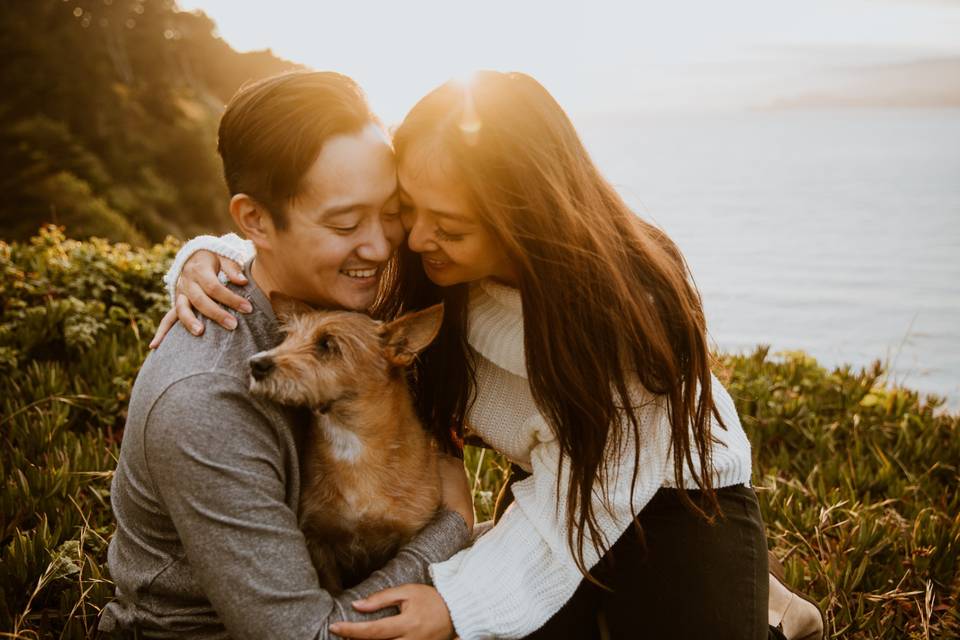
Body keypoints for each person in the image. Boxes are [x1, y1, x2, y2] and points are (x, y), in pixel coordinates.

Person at [157, 72, 826, 640]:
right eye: (407, 208)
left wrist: (459, 600)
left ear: (523, 218)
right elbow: (303, 248)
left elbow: (591, 492)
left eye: (447, 225)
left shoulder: (628, 311)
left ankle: (765, 608)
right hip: (550, 480)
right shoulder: (430, 263)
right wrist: (208, 259)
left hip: (672, 496)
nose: (412, 239)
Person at [100, 71, 474, 639]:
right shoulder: (206, 401)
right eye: (345, 223)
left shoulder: (342, 296)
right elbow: (305, 634)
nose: (380, 246)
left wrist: (200, 252)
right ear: (255, 222)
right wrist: (451, 527)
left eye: (392, 211)